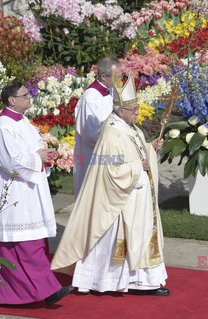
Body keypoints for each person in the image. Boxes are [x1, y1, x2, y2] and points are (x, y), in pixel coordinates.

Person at [51, 74, 169, 296]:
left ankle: (142, 280)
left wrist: (150, 147)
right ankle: (119, 281)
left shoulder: (128, 126)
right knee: (121, 238)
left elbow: (135, 151)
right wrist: (137, 166)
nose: (137, 113)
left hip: (137, 194)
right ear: (121, 110)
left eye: (137, 109)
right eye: (134, 110)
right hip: (122, 199)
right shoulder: (112, 131)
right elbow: (109, 168)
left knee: (141, 235)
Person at [0, 81, 73, 306]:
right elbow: (10, 161)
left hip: (27, 191)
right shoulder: (4, 127)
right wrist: (37, 158)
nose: (29, 97)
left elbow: (31, 151)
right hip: (12, 195)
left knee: (32, 243)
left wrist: (45, 156)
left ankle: (35, 290)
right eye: (25, 95)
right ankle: (45, 290)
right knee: (23, 246)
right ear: (12, 100)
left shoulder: (22, 121)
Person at [73, 56, 122, 196]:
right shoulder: (90, 98)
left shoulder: (110, 90)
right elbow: (90, 134)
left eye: (121, 75)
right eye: (117, 76)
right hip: (95, 155)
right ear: (103, 76)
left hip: (112, 150)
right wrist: (114, 144)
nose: (120, 79)